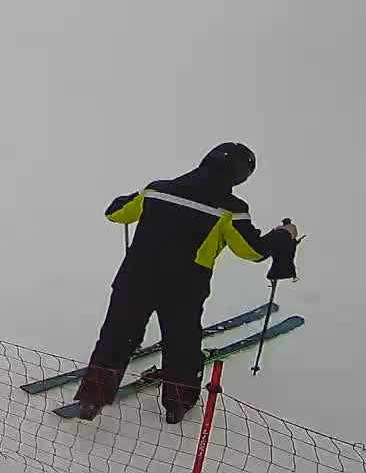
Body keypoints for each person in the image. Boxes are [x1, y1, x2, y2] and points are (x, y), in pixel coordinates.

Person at [69, 143, 298, 424]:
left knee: (117, 335)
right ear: (240, 176)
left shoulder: (157, 189)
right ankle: (177, 406)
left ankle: (92, 399)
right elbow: (253, 251)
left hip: (135, 278)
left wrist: (127, 199)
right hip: (184, 287)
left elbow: (117, 213)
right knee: (182, 344)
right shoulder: (230, 209)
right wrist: (283, 236)